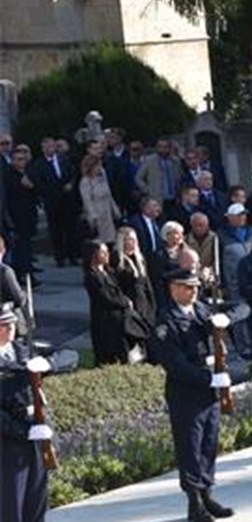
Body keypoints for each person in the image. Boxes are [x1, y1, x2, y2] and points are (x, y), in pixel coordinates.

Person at [150, 268, 235, 521]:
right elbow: (174, 364)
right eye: (187, 287)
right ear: (173, 288)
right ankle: (194, 502)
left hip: (210, 389)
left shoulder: (201, 310)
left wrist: (224, 319)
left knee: (209, 442)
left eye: (196, 287)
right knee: (190, 447)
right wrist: (209, 378)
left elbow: (241, 307)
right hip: (186, 392)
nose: (193, 291)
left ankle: (207, 493)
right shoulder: (166, 321)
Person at [0, 306, 49, 522]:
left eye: (10, 324)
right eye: (2, 325)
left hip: (36, 437)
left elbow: (69, 355)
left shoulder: (23, 351)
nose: (9, 329)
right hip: (8, 444)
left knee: (36, 501)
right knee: (12, 507)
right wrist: (25, 431)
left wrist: (49, 363)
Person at [85, 240, 143, 364]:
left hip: (119, 319)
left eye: (107, 252)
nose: (106, 255)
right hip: (105, 320)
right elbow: (105, 298)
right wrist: (125, 302)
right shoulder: (92, 276)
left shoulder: (108, 271)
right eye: (102, 252)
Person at [113, 227, 157, 357]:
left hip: (144, 302)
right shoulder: (117, 259)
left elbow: (146, 282)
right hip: (131, 302)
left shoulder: (139, 258)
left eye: (134, 240)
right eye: (129, 240)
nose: (132, 243)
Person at [36, 138, 80, 266]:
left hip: (67, 200)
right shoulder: (39, 164)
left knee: (70, 229)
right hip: (52, 201)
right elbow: (39, 183)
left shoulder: (63, 160)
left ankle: (72, 255)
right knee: (56, 231)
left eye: (52, 146)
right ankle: (59, 257)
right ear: (43, 149)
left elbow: (73, 174)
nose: (50, 149)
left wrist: (71, 184)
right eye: (46, 147)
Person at [6, 146, 40, 281]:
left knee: (27, 246)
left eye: (24, 159)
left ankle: (27, 272)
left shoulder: (30, 172)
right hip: (16, 216)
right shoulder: (9, 175)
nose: (22, 162)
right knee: (20, 247)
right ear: (13, 161)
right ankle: (23, 274)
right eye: (19, 159)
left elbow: (39, 189)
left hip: (29, 214)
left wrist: (32, 186)